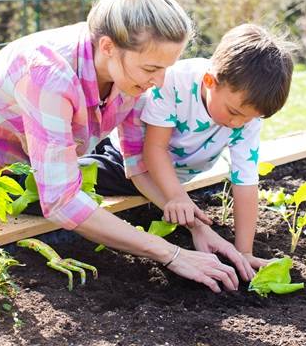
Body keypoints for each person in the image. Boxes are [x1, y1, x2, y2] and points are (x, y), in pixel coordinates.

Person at [0, 0, 249, 293]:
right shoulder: (50, 74)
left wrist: (196, 227)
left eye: (166, 68)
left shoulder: (129, 76)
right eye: (152, 69)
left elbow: (136, 164)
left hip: (19, 176)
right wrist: (171, 254)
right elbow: (60, 201)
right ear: (107, 46)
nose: (160, 82)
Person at [82, 24, 294, 271]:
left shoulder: (246, 115)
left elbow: (245, 181)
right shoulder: (175, 81)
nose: (238, 124)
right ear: (209, 81)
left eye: (248, 118)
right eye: (234, 113)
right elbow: (154, 149)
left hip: (170, 177)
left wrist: (244, 251)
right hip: (125, 161)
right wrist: (177, 197)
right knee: (75, 178)